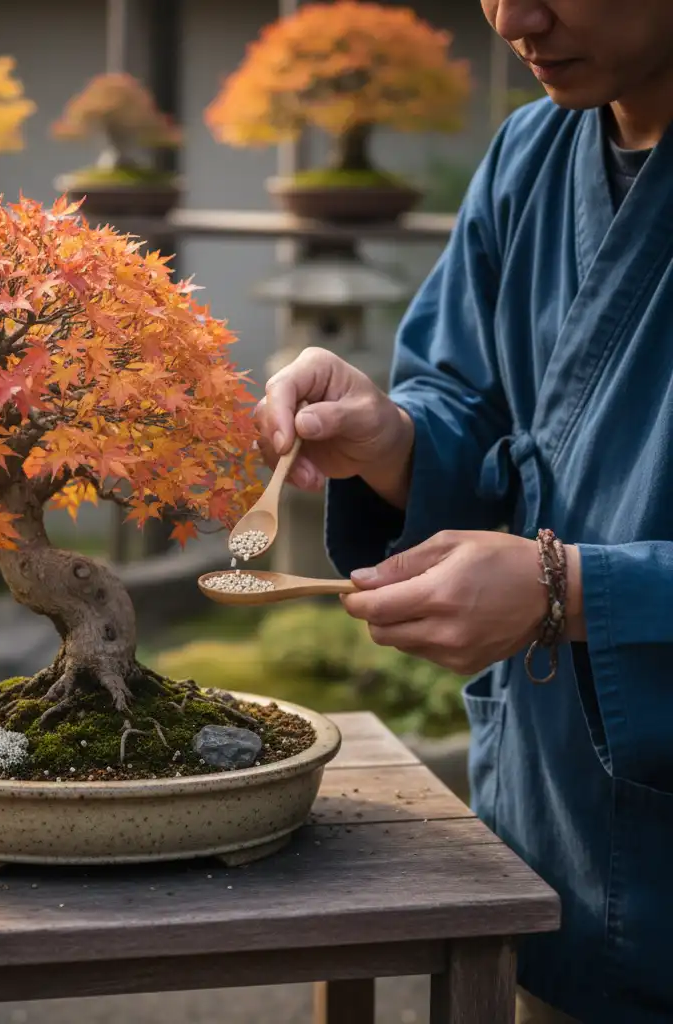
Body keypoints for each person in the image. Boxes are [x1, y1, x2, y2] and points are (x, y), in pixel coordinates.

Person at [255, 2, 673, 1022]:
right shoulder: (529, 151)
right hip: (551, 833)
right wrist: (390, 440)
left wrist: (570, 589)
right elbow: (469, 404)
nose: (514, 18)